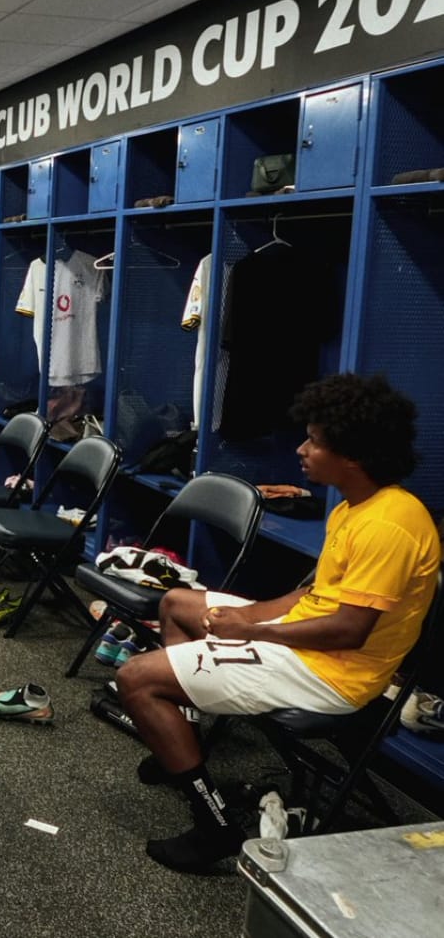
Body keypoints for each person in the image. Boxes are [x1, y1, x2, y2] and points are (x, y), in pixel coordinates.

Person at [117, 372, 441, 873]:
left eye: (315, 441)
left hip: (333, 674)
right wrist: (250, 613)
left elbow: (348, 630)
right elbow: (314, 595)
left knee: (135, 679)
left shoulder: (389, 525)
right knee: (178, 604)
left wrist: (253, 631)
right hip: (306, 645)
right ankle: (179, 746)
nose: (302, 450)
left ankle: (214, 824)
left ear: (351, 455)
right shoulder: (358, 506)